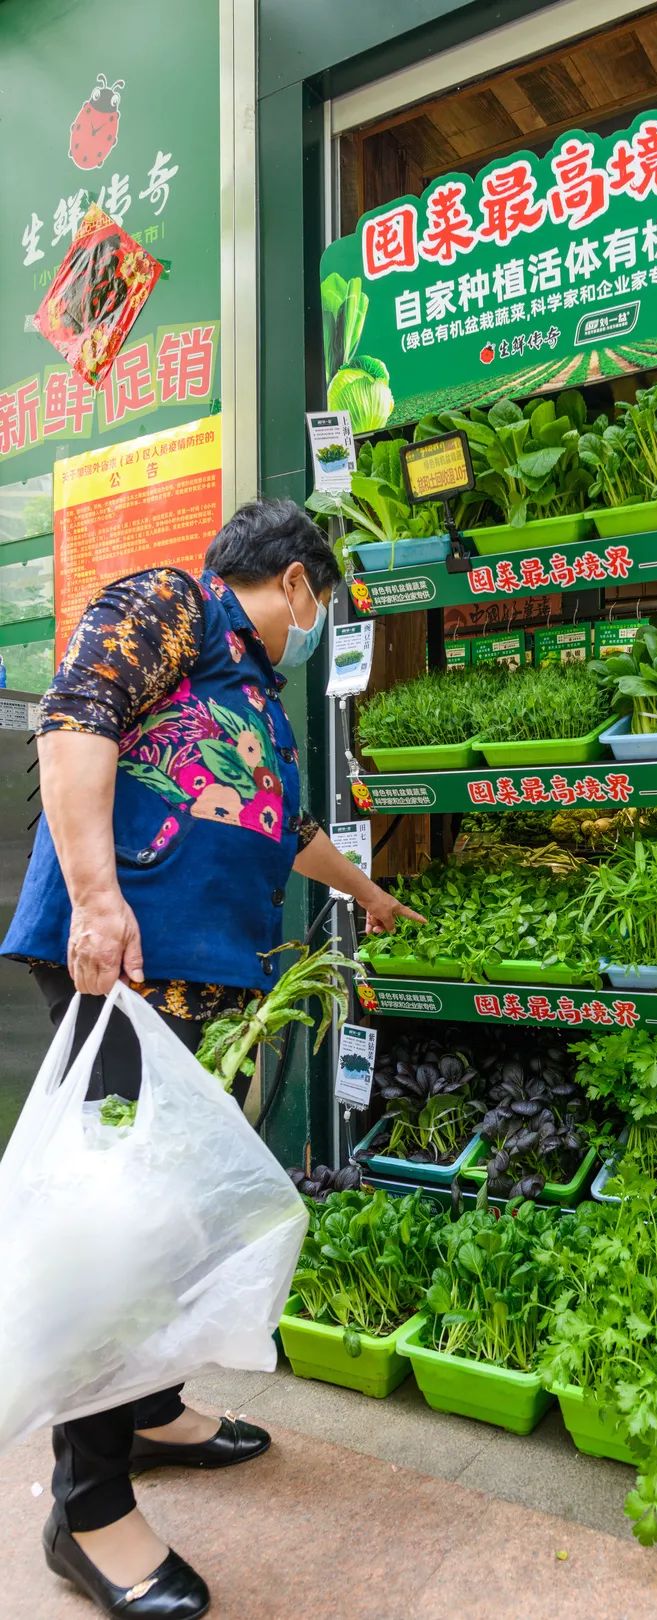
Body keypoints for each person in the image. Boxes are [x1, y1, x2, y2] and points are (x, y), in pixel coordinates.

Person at [1, 498, 424, 1619]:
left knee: (179, 1213)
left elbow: (284, 831)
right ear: (294, 581)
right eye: (320, 601)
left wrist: (373, 897)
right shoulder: (166, 608)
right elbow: (75, 720)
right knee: (121, 1228)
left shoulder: (251, 695)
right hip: (126, 971)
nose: (316, 621)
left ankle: (148, 1409)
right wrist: (96, 900)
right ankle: (85, 1512)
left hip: (204, 984)